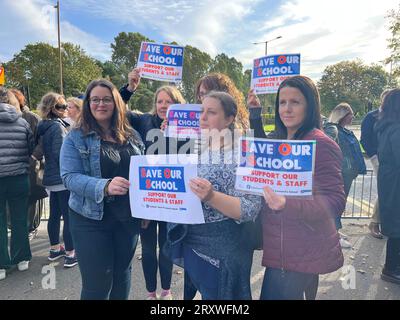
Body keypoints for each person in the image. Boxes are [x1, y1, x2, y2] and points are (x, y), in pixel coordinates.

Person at [247, 76, 345, 300]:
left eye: (295, 102)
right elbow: (264, 153)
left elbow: (335, 201)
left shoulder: (321, 144)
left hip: (299, 251)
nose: (287, 109)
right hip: (284, 247)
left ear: (309, 106)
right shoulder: (284, 138)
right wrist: (255, 116)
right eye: (282, 102)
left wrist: (287, 204)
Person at [165, 91, 261, 300]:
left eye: (211, 112)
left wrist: (211, 196)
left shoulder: (245, 152)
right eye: (201, 111)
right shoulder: (198, 147)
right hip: (192, 241)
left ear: (229, 118)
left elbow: (251, 208)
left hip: (222, 249)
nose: (203, 118)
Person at [60, 79, 145, 300]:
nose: (101, 104)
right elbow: (69, 177)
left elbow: (144, 173)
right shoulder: (75, 136)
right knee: (97, 285)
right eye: (95, 99)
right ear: (87, 103)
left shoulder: (132, 135)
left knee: (122, 274)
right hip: (90, 219)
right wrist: (104, 186)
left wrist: (147, 209)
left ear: (116, 102)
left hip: (127, 219)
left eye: (106, 99)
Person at [137, 85, 186, 300]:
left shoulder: (186, 127)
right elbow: (117, 105)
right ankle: (150, 292)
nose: (163, 106)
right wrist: (130, 87)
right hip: (148, 199)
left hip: (171, 198)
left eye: (169, 101)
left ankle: (166, 290)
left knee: (166, 248)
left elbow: (189, 160)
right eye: (160, 101)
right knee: (148, 250)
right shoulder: (143, 122)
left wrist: (172, 134)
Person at [37, 93, 77, 268]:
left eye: (65, 106)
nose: (65, 109)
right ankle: (70, 253)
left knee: (54, 215)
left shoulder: (43, 125)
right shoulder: (58, 127)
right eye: (61, 106)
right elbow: (61, 155)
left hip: (51, 177)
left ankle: (55, 249)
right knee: (68, 217)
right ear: (52, 109)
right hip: (62, 176)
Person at [0, 88, 34, 280]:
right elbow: (30, 148)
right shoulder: (22, 123)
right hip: (19, 176)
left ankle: (2, 265)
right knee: (20, 218)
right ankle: (21, 258)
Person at [324, 103, 366, 248]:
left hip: (348, 173)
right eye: (350, 114)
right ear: (342, 116)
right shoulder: (334, 131)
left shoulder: (343, 131)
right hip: (341, 173)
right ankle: (333, 235)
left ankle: (335, 230)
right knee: (336, 204)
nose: (353, 117)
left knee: (340, 204)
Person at [10, 89, 47, 239]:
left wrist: (33, 157)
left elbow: (42, 141)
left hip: (32, 166)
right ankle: (17, 228)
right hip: (14, 166)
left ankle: (31, 227)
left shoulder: (32, 118)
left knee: (31, 198)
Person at [375, 88, 400, 285]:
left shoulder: (387, 126)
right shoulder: (397, 129)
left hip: (391, 185)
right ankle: (392, 269)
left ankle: (391, 268)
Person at [360, 91, 390, 239]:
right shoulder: (371, 117)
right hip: (378, 157)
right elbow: (364, 139)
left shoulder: (394, 115)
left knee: (390, 189)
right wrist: (373, 156)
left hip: (391, 158)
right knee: (385, 188)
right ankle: (375, 222)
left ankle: (385, 222)